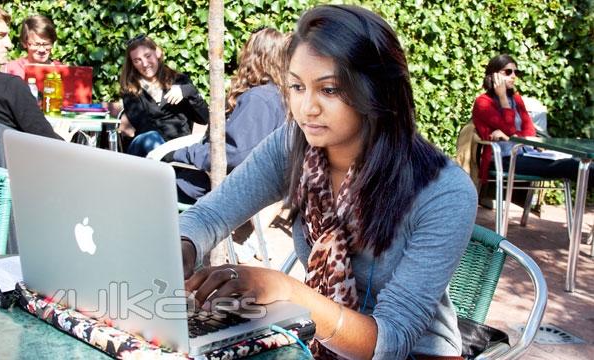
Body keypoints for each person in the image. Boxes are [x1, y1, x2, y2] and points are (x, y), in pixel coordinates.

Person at [180, 5, 477, 359]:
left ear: (377, 92)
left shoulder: (443, 192)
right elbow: (208, 217)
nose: (306, 108)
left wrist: (286, 290)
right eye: (296, 86)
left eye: (330, 89)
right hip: (316, 338)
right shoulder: (293, 145)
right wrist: (180, 248)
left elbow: (392, 342)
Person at [163, 27, 287, 204]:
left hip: (214, 188)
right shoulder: (278, 95)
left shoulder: (258, 99)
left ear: (253, 56)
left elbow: (233, 154)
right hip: (244, 184)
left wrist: (181, 154)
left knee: (144, 190)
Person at [472, 54, 593, 186]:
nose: (513, 76)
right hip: (502, 159)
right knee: (571, 166)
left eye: (515, 72)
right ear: (493, 75)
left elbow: (529, 131)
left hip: (527, 154)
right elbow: (509, 128)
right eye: (508, 72)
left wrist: (509, 137)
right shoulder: (483, 103)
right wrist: (502, 98)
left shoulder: (516, 99)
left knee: (579, 161)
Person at [0, 4, 61, 141]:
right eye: (1, 36)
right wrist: (64, 138)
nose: (9, 44)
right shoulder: (10, 87)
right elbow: (50, 144)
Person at [118, 35, 209, 157]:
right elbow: (145, 125)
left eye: (147, 56)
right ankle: (170, 165)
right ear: (132, 64)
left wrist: (189, 92)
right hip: (145, 149)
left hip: (179, 147)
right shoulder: (131, 89)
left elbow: (204, 119)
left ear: (158, 53)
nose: (144, 64)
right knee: (152, 137)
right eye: (137, 60)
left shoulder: (179, 81)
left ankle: (174, 165)